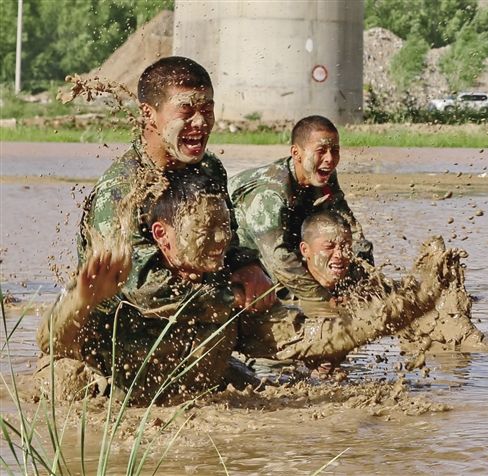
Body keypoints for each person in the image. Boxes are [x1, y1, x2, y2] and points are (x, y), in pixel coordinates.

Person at [78, 56, 275, 314]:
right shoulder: (121, 189)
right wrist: (233, 298)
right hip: (125, 329)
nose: (200, 122)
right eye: (186, 111)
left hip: (199, 310)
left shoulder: (209, 169)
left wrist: (247, 267)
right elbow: (142, 290)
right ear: (149, 114)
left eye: (207, 110)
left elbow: (228, 240)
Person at [37, 173, 239, 405]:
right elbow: (50, 342)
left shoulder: (224, 287)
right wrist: (82, 300)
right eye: (204, 230)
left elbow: (277, 331)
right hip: (108, 390)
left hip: (174, 389)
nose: (222, 238)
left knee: (246, 381)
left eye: (225, 226)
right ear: (161, 234)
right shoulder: (118, 280)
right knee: (65, 381)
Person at [236, 210, 488, 371]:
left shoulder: (356, 284)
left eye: (346, 246)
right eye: (329, 247)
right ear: (305, 251)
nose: (340, 255)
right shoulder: (278, 292)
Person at [228, 115, 373, 303]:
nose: (330, 159)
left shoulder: (323, 174)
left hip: (279, 234)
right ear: (297, 153)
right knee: (280, 289)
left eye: (335, 151)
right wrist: (324, 300)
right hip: (238, 247)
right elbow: (279, 261)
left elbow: (351, 230)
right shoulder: (270, 193)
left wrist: (365, 287)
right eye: (321, 151)